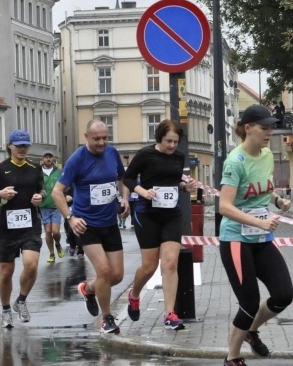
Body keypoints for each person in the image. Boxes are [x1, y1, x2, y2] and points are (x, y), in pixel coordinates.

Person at [218, 105, 293, 366]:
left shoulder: (266, 156)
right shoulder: (235, 161)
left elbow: (266, 186)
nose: (269, 132)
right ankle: (232, 357)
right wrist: (260, 221)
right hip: (236, 240)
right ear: (247, 127)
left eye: (271, 127)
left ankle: (251, 331)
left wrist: (278, 200)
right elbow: (224, 206)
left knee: (283, 294)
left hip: (261, 238)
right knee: (249, 301)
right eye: (264, 127)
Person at [123, 119, 200, 331]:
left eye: (175, 142)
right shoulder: (145, 154)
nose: (172, 146)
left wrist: (186, 186)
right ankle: (135, 294)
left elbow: (175, 181)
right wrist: (141, 192)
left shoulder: (178, 157)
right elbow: (128, 178)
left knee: (170, 263)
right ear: (159, 138)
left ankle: (170, 314)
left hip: (171, 214)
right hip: (147, 214)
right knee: (149, 267)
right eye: (168, 141)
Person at [53, 118, 128, 334]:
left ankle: (88, 288)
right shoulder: (77, 160)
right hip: (87, 225)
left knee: (117, 276)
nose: (102, 142)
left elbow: (122, 178)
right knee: (104, 271)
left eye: (105, 138)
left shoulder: (112, 153)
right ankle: (107, 318)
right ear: (86, 137)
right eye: (97, 139)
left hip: (110, 223)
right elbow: (57, 192)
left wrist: (125, 198)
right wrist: (70, 218)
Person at [0, 129, 45, 328]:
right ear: (10, 146)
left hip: (30, 224)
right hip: (6, 227)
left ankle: (22, 300)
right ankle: (6, 309)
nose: (22, 149)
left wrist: (40, 197)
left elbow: (42, 189)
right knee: (6, 271)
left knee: (31, 264)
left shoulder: (35, 168)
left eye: (26, 146)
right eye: (19, 146)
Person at [39, 151, 65, 263]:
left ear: (53, 158)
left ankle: (58, 244)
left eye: (50, 157)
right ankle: (52, 254)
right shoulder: (38, 172)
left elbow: (66, 184)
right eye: (46, 157)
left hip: (56, 205)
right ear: (43, 159)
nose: (48, 159)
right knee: (48, 231)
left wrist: (67, 195)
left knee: (55, 232)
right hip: (44, 205)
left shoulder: (59, 171)